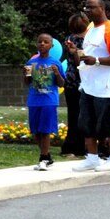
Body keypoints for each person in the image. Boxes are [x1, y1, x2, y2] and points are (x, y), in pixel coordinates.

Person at [71, 0, 110, 172]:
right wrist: (75, 52)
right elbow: (88, 54)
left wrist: (95, 60)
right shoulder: (90, 28)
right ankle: (92, 158)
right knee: (86, 123)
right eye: (86, 7)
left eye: (92, 7)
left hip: (108, 88)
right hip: (89, 86)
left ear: (102, 9)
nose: (87, 11)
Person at [25, 34, 66, 171]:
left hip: (49, 101)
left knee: (45, 129)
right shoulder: (31, 63)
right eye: (40, 41)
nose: (42, 44)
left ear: (51, 46)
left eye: (46, 42)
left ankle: (42, 158)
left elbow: (62, 83)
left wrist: (57, 74)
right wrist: (26, 74)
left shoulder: (55, 63)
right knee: (36, 130)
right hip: (34, 100)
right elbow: (26, 82)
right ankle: (47, 156)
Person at [60, 12, 89, 158]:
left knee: (73, 115)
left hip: (70, 82)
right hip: (80, 81)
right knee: (81, 116)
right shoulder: (82, 41)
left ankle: (69, 146)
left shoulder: (69, 38)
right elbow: (82, 61)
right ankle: (78, 147)